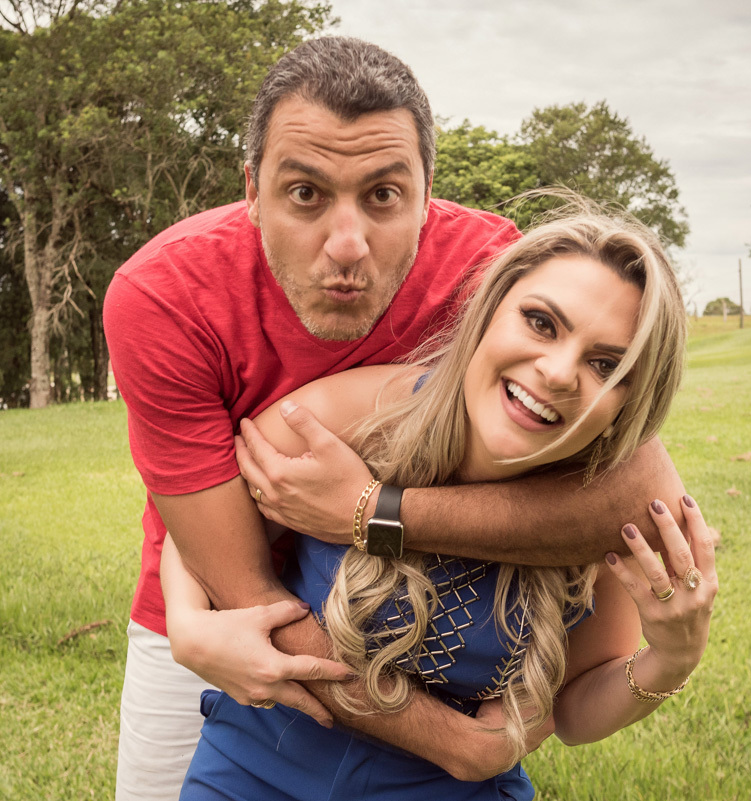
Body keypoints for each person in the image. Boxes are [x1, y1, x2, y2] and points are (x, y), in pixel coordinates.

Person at [103, 36, 685, 800]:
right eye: (305, 193)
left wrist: (370, 515)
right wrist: (462, 744)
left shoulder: (490, 273)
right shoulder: (163, 295)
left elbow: (629, 491)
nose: (347, 247)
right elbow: (243, 585)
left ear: (427, 191)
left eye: (383, 195)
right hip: (213, 596)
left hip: (417, 606)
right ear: (252, 187)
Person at [165, 206, 716, 800]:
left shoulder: (600, 522)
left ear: (630, 403)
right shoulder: (368, 413)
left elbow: (575, 711)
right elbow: (209, 507)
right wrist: (189, 620)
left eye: (607, 365)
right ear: (488, 311)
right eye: (540, 323)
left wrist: (671, 658)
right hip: (251, 768)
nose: (558, 373)